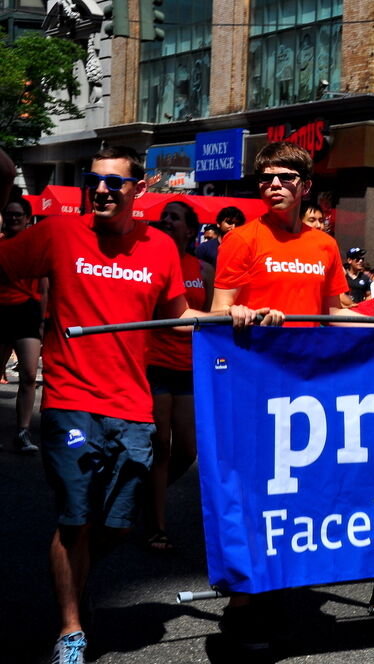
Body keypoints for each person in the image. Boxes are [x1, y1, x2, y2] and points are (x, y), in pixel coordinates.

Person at [0, 146, 261, 664]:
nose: (101, 190)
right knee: (75, 517)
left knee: (119, 523)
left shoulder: (161, 247)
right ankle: (71, 627)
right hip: (71, 400)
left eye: (113, 183)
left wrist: (239, 315)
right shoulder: (58, 233)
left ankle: (72, 577)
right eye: (94, 181)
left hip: (132, 405)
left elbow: (180, 314)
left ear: (137, 190)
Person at [211, 141, 363, 652]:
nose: (273, 185)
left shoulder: (324, 245)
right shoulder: (242, 240)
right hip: (255, 386)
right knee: (255, 493)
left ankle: (274, 593)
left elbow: (336, 312)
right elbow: (216, 311)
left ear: (305, 186)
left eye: (284, 178)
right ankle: (241, 607)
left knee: (299, 494)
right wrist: (240, 315)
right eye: (266, 178)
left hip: (310, 391)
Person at [144, 201, 214, 551]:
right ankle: (156, 527)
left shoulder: (202, 268)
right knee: (161, 448)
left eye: (175, 217)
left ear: (191, 230)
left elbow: (215, 314)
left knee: (187, 450)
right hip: (154, 363)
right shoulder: (151, 262)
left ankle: (142, 494)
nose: (167, 221)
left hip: (189, 368)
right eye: (165, 216)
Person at [0, 196, 43, 452]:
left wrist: (43, 322)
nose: (15, 218)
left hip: (28, 311)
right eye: (11, 214)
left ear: (28, 218)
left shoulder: (37, 246)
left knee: (28, 375)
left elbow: (45, 287)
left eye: (20, 214)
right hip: (1, 310)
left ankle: (23, 432)